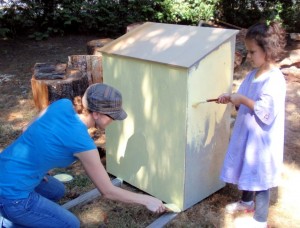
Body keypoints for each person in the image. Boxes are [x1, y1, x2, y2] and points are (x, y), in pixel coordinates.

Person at [0, 83, 166, 228]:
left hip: (4, 169)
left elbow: (26, 129)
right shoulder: (82, 143)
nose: (114, 120)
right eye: (112, 116)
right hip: (11, 196)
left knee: (57, 190)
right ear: (96, 114)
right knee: (70, 224)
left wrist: (38, 165)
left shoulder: (63, 104)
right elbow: (108, 191)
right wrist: (147, 200)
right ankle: (8, 222)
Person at [216, 21, 286, 228]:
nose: (249, 56)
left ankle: (260, 220)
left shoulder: (275, 79)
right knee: (247, 163)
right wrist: (231, 97)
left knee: (260, 174)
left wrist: (242, 100)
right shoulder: (252, 75)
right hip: (248, 133)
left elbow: (266, 111)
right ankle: (246, 201)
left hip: (262, 139)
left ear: (267, 50)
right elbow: (245, 97)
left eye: (252, 51)